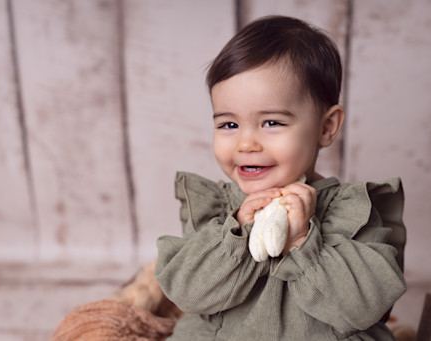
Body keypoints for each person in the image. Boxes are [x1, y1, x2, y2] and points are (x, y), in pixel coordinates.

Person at [155, 15, 406, 340]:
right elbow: (187, 293)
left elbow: (366, 308)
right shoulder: (217, 209)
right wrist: (238, 232)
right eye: (229, 125)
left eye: (271, 123)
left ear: (326, 127)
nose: (246, 143)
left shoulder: (352, 210)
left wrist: (303, 243)